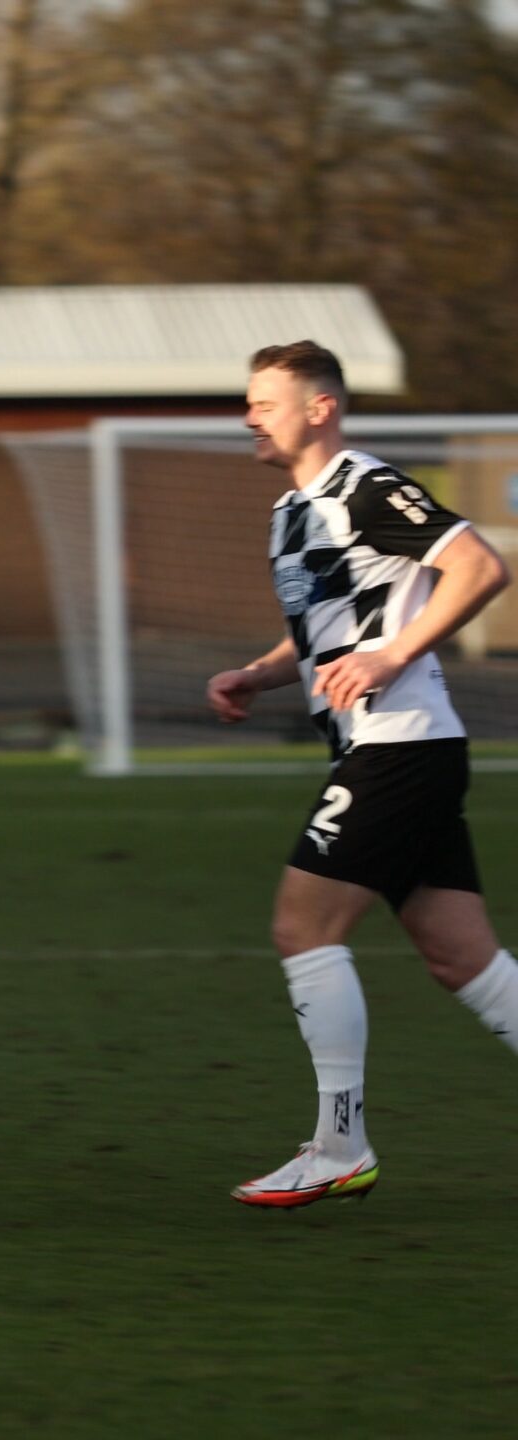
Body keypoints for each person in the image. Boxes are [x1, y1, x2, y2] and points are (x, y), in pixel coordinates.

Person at [207, 340, 518, 1207]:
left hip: (401, 746)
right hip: (389, 750)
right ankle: (338, 1148)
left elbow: (480, 566)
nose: (249, 417)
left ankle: (339, 1146)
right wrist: (260, 673)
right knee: (462, 960)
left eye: (264, 402)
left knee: (301, 926)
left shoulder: (366, 487)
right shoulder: (290, 512)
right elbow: (327, 629)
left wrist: (391, 656)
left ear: (321, 409)